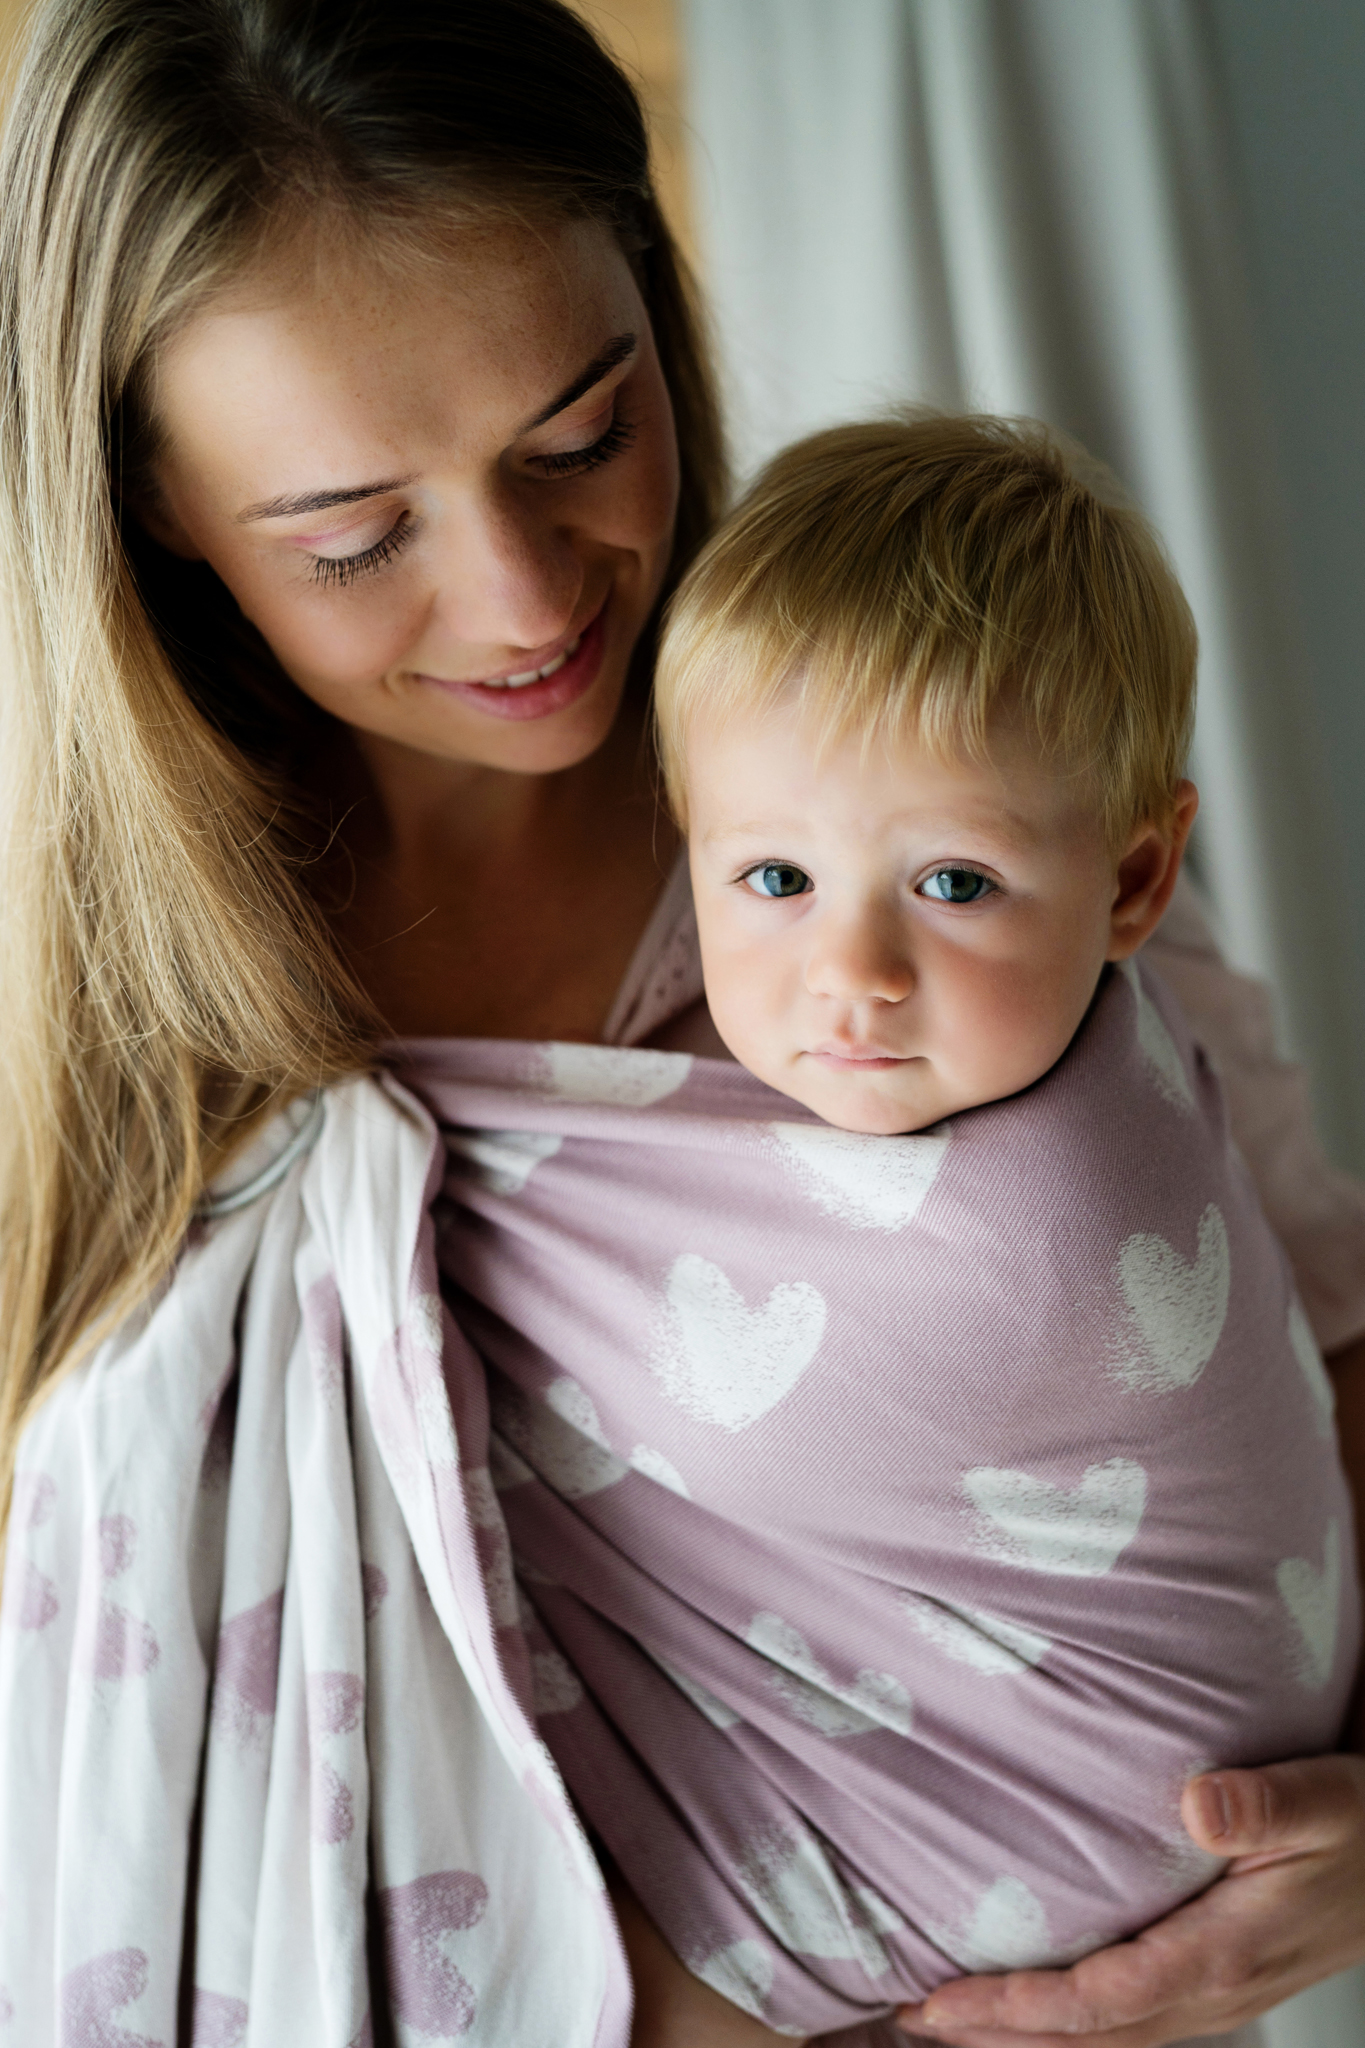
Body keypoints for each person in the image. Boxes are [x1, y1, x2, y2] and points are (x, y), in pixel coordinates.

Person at [0, 2, 1358, 2043]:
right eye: (356, 536)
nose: (526, 597)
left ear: (655, 301)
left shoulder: (924, 781)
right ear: (153, 506)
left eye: (578, 437)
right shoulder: (77, 1024)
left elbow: (1301, 1356)